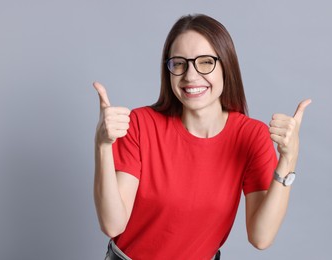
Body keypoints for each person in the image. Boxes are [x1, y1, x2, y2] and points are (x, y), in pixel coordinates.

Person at [93, 14, 311, 260]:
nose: (191, 76)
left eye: (205, 62)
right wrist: (102, 145)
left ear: (226, 66)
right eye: (179, 63)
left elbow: (261, 237)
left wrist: (288, 159)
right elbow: (113, 225)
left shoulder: (251, 136)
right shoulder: (141, 125)